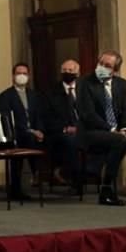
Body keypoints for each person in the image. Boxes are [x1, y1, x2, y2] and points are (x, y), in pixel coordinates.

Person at [76, 50, 126, 206]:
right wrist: (113, 131)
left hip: (118, 132)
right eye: (100, 64)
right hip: (91, 132)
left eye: (107, 66)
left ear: (115, 70)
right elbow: (88, 114)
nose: (102, 68)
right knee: (120, 141)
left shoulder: (122, 84)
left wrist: (125, 129)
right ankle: (106, 190)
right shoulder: (84, 82)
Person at [0, 62, 45, 201]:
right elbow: (6, 120)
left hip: (35, 133)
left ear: (29, 76)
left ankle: (42, 174)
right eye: (19, 73)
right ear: (13, 76)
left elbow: (39, 116)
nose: (21, 76)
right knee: (28, 140)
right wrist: (30, 130)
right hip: (16, 133)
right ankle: (33, 174)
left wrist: (40, 130)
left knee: (47, 140)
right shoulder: (6, 96)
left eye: (24, 73)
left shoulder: (34, 95)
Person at [45, 59, 82, 193]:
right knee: (70, 141)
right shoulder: (51, 92)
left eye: (70, 71)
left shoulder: (85, 90)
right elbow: (48, 117)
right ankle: (76, 183)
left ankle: (92, 172)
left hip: (84, 129)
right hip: (61, 132)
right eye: (64, 71)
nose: (67, 73)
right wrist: (65, 128)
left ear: (77, 73)